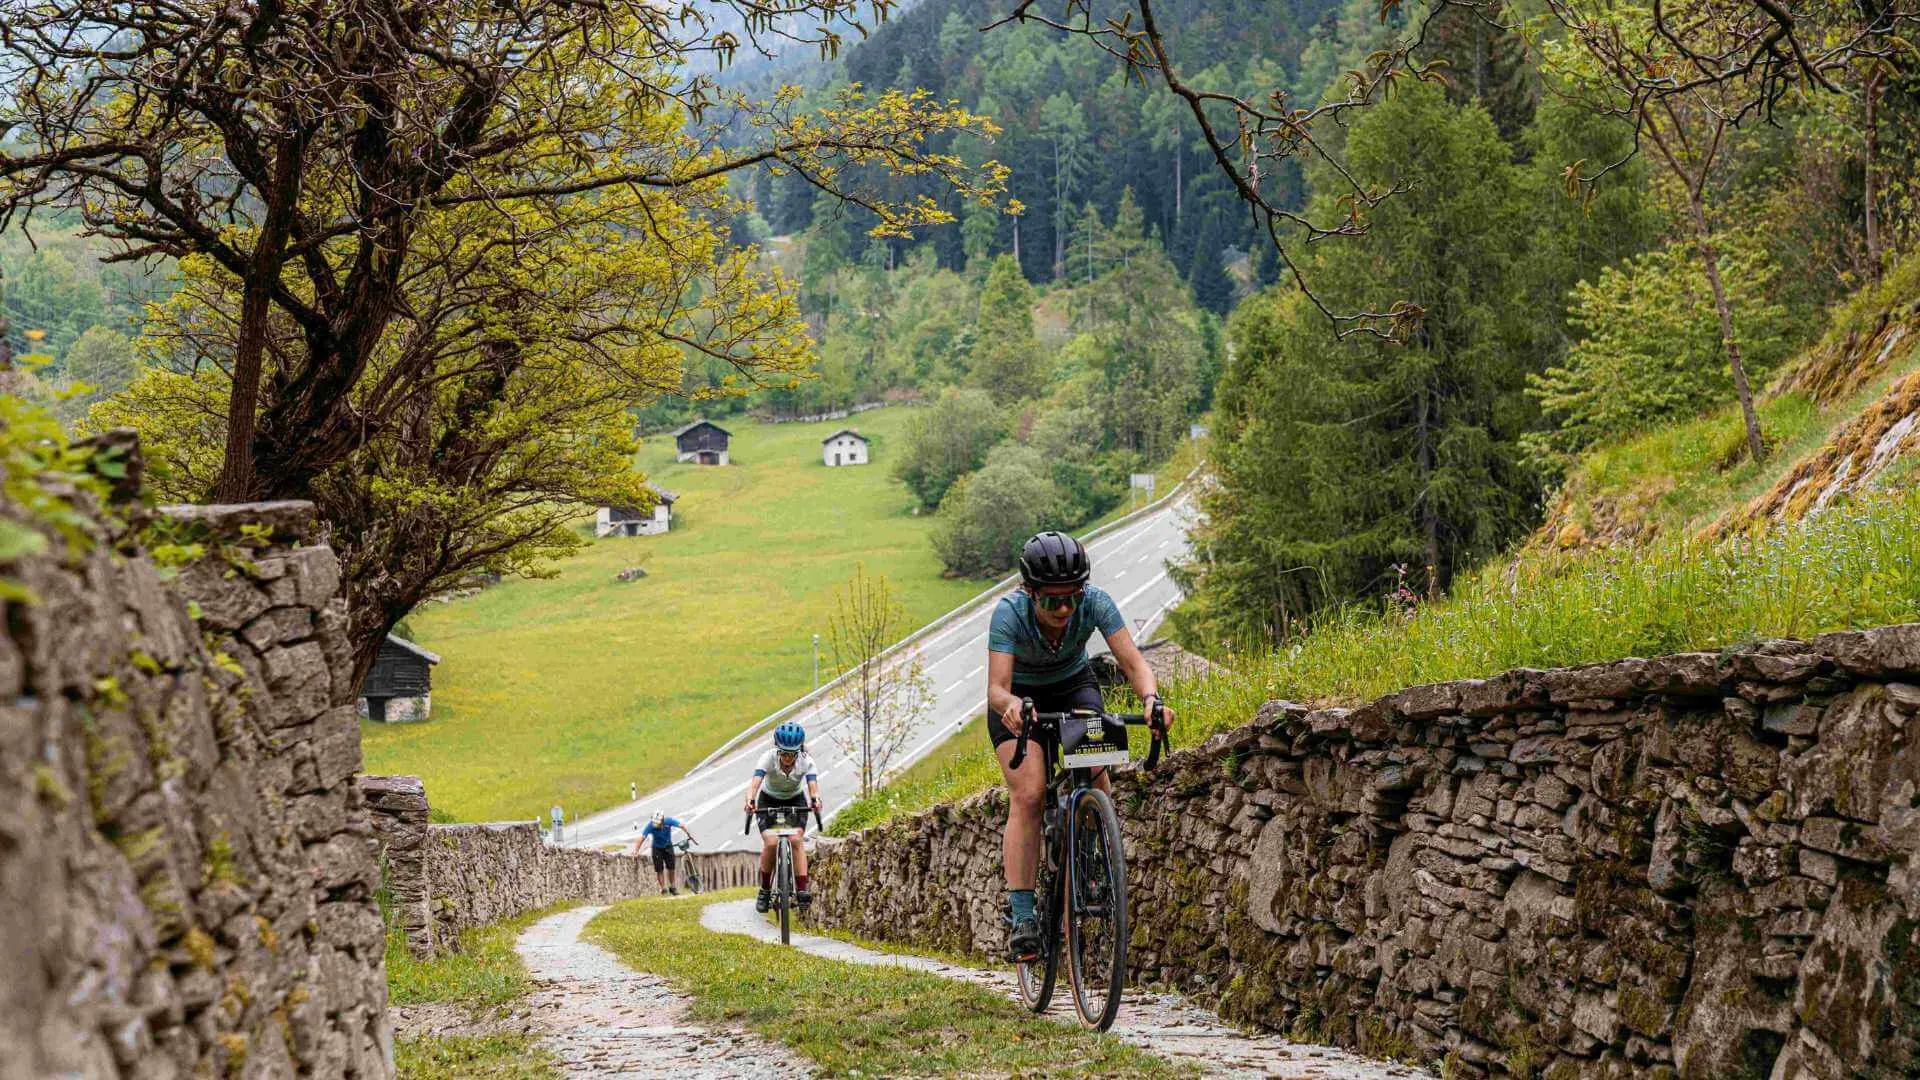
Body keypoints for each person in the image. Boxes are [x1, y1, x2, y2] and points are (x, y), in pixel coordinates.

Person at [987, 530, 1172, 962]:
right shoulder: (1008, 614)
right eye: (1053, 601)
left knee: (1099, 781)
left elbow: (1133, 662)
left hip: (1073, 687)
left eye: (1073, 597)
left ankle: (1090, 865)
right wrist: (1012, 707)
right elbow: (997, 689)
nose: (1065, 609)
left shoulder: (1096, 603)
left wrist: (1151, 701)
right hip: (1021, 699)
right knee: (1030, 793)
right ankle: (1023, 915)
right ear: (1030, 593)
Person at [742, 720, 822, 913]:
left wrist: (815, 799)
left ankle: (802, 890)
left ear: (799, 750)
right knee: (770, 843)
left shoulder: (807, 761)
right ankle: (765, 890)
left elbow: (813, 786)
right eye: (783, 753)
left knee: (796, 840)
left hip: (795, 801)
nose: (787, 758)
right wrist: (750, 800)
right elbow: (754, 783)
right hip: (769, 800)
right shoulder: (767, 758)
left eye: (791, 753)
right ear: (777, 749)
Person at [633, 811, 695, 895]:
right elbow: (642, 838)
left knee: (671, 868)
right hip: (657, 848)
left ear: (662, 821)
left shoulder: (668, 821)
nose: (657, 826)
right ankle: (663, 889)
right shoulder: (651, 825)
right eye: (656, 824)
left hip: (668, 846)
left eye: (658, 824)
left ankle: (672, 887)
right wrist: (636, 851)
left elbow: (682, 825)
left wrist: (689, 834)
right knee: (659, 869)